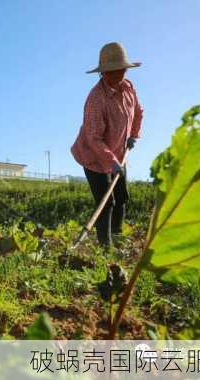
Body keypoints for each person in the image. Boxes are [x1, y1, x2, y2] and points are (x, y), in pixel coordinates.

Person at [71, 42, 143, 247]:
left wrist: (133, 135)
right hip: (94, 157)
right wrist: (111, 162)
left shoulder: (128, 88)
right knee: (106, 203)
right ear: (103, 73)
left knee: (121, 197)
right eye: (112, 72)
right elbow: (94, 139)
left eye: (121, 70)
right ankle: (105, 247)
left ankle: (118, 237)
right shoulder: (96, 99)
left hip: (119, 152)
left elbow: (138, 112)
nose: (118, 75)